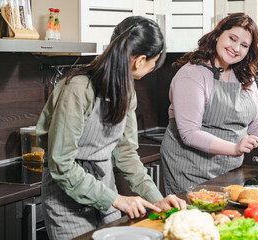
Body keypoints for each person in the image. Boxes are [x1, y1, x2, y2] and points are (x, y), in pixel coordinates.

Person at [36, 16, 186, 240]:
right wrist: (116, 200)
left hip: (105, 191)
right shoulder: (78, 88)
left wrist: (156, 198)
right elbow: (61, 165)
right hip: (66, 200)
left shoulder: (127, 91)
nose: (154, 67)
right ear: (140, 60)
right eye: (154, 62)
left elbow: (126, 154)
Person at [160, 13, 258, 195]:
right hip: (190, 170)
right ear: (217, 35)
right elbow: (189, 133)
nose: (236, 48)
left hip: (229, 171)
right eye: (232, 38)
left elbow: (257, 123)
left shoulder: (246, 77)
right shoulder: (192, 74)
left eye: (244, 45)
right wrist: (235, 148)